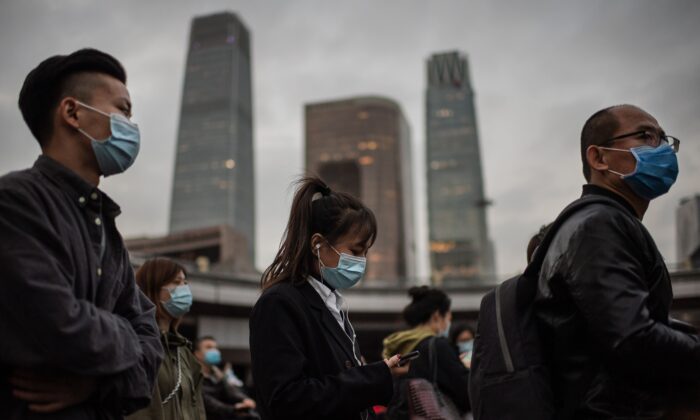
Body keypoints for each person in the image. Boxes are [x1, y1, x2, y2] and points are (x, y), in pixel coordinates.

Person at [0, 48, 162, 419]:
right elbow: (60, 326)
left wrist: (95, 384)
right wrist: (127, 337)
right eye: (122, 110)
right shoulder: (16, 203)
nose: (130, 125)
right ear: (73, 113)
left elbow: (152, 342)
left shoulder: (107, 229)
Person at [534, 104, 700, 417]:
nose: (662, 149)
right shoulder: (599, 224)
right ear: (598, 158)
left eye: (664, 139)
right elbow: (632, 336)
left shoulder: (600, 221)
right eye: (645, 136)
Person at [249, 176, 405, 420]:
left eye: (365, 253)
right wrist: (374, 376)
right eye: (355, 251)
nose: (362, 261)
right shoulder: (280, 303)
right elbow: (288, 400)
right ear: (317, 244)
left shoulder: (331, 304)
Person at [126, 258, 206, 420]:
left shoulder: (183, 350)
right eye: (177, 282)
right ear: (152, 289)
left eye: (185, 283)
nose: (184, 289)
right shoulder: (136, 344)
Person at [383, 286, 470, 418]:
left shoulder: (399, 347)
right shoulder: (438, 346)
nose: (448, 324)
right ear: (436, 316)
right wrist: (465, 368)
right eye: (448, 318)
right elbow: (465, 392)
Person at [194, 336, 259, 420]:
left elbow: (230, 391)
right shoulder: (193, 377)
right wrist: (233, 408)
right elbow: (207, 402)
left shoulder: (217, 375)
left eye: (215, 348)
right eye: (208, 347)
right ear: (197, 353)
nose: (214, 351)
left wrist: (245, 399)